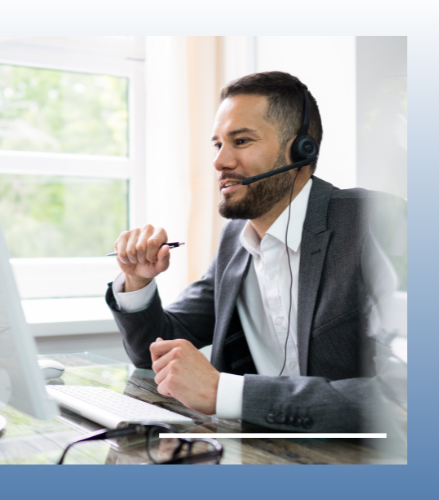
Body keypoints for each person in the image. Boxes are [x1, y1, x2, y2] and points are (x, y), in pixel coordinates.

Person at [106, 71, 405, 432]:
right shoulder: (237, 239)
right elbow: (155, 352)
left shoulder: (380, 224)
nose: (219, 162)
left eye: (241, 141)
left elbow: (403, 394)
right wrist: (137, 282)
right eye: (217, 145)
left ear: (300, 149)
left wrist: (227, 393)